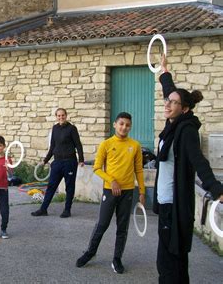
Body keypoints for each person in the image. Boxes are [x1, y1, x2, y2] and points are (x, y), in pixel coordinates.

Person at [154, 56, 223, 283]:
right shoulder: (173, 125)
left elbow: (198, 160)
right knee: (174, 259)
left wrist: (216, 188)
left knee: (169, 261)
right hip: (166, 203)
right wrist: (165, 72)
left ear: (184, 109)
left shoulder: (186, 130)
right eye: (167, 100)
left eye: (172, 103)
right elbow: (171, 91)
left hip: (174, 205)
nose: (167, 103)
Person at [75, 112, 145, 274]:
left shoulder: (135, 145)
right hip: (110, 190)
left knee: (123, 227)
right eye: (121, 124)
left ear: (130, 127)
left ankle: (117, 259)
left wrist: (141, 191)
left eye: (127, 125)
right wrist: (112, 180)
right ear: (115, 124)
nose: (124, 127)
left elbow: (139, 170)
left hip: (127, 192)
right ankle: (90, 253)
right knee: (102, 224)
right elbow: (97, 168)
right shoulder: (106, 144)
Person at [31, 108, 84, 218]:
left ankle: (67, 210)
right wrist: (45, 160)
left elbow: (78, 145)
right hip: (57, 162)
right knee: (51, 186)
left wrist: (81, 160)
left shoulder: (72, 129)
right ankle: (43, 209)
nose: (61, 117)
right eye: (58, 115)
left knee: (69, 187)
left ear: (66, 115)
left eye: (63, 115)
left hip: (70, 162)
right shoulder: (55, 128)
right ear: (56, 117)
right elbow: (52, 147)